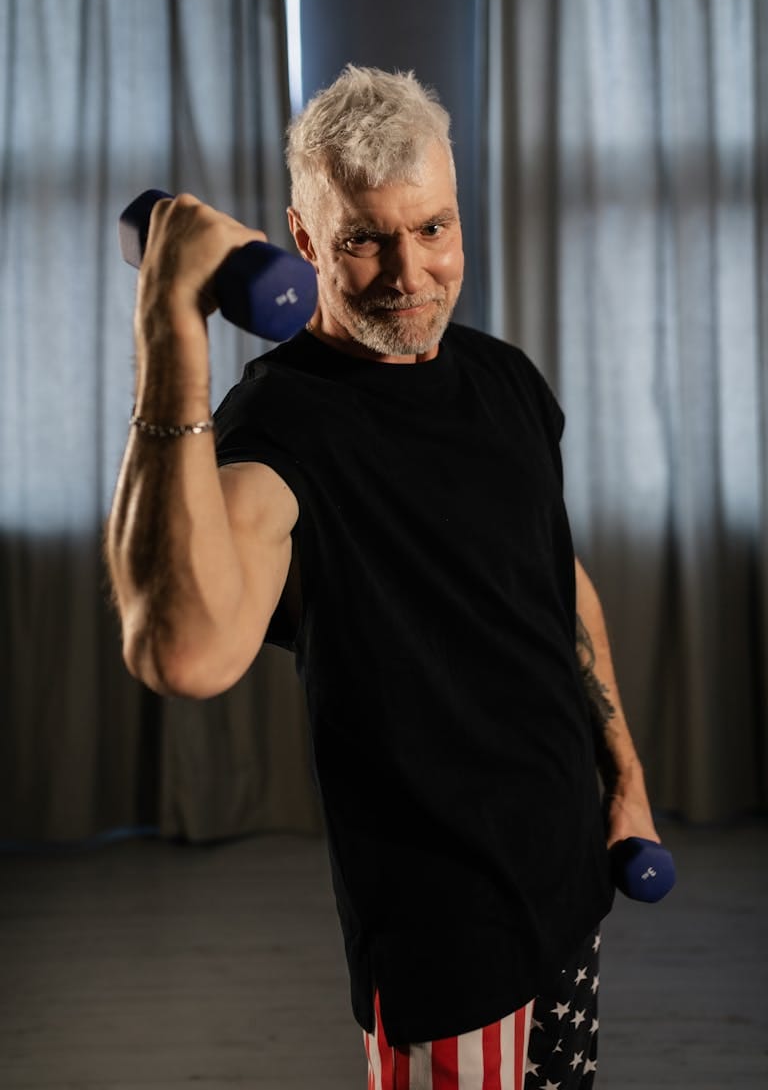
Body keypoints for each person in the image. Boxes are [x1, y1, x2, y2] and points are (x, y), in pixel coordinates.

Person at [106, 65, 660, 1090]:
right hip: (446, 937)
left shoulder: (504, 380)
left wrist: (625, 785)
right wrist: (169, 326)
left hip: (571, 878)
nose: (411, 274)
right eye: (365, 239)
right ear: (304, 239)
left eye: (434, 228)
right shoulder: (274, 436)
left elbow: (556, 587)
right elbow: (182, 653)